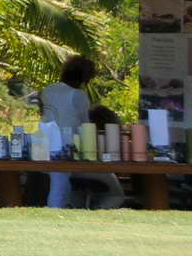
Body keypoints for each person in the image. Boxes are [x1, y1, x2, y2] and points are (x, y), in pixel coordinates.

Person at [41, 55, 96, 208]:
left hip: (45, 141)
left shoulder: (48, 90)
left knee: (60, 183)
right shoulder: (78, 95)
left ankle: (62, 210)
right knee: (60, 184)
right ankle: (55, 214)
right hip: (66, 144)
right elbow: (85, 124)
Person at [73, 106, 128, 209]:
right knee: (117, 195)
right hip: (96, 170)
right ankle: (99, 210)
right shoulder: (108, 136)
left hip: (74, 170)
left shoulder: (82, 131)